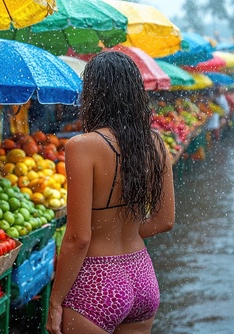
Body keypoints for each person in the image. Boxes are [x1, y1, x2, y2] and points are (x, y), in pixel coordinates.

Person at [47, 51, 175, 334]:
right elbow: (165, 220)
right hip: (142, 276)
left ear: (93, 93)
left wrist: (55, 302)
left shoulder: (82, 146)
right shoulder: (155, 144)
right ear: (135, 92)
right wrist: (124, 232)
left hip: (97, 282)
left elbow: (79, 238)